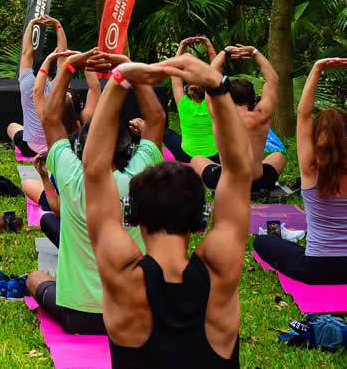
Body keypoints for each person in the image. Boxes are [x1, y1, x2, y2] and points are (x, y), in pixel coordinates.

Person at [82, 55, 250, 366]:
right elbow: (239, 171)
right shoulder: (220, 271)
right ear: (200, 219)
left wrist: (119, 81)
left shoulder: (123, 278)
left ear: (132, 214)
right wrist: (217, 85)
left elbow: (94, 171)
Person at [25, 48, 166, 335]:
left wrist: (70, 67)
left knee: (34, 277)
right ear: (128, 146)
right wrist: (130, 64)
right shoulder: (141, 173)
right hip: (135, 315)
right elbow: (156, 119)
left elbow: (51, 120)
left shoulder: (70, 174)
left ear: (80, 147)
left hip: (80, 315)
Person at [254, 57, 347, 284]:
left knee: (263, 241)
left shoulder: (309, 170)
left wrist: (317, 68)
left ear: (317, 140)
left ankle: (286, 237)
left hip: (315, 269)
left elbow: (303, 115)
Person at [191, 44, 286, 192]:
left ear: (227, 97)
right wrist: (255, 52)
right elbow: (272, 81)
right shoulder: (261, 115)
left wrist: (225, 52)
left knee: (196, 159)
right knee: (278, 156)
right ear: (252, 99)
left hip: (226, 183)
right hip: (259, 181)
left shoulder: (219, 115)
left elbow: (208, 78)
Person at [21, 46, 99, 216]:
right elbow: (95, 89)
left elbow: (37, 91)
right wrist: (83, 59)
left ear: (52, 110)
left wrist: (48, 61)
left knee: (27, 184)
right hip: (88, 199)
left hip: (64, 203)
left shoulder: (49, 125)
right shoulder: (85, 119)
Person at [7, 16, 67, 158]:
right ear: (52, 71)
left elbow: (27, 53)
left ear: (34, 71)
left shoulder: (27, 83)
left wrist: (32, 23)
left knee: (12, 126)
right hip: (55, 147)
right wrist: (57, 24)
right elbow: (63, 55)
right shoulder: (58, 85)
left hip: (31, 148)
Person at [164, 36, 219, 163]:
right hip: (214, 156)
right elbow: (215, 73)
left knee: (166, 133)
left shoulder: (183, 105)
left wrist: (181, 47)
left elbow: (175, 76)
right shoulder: (212, 105)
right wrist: (209, 45)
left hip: (186, 155)